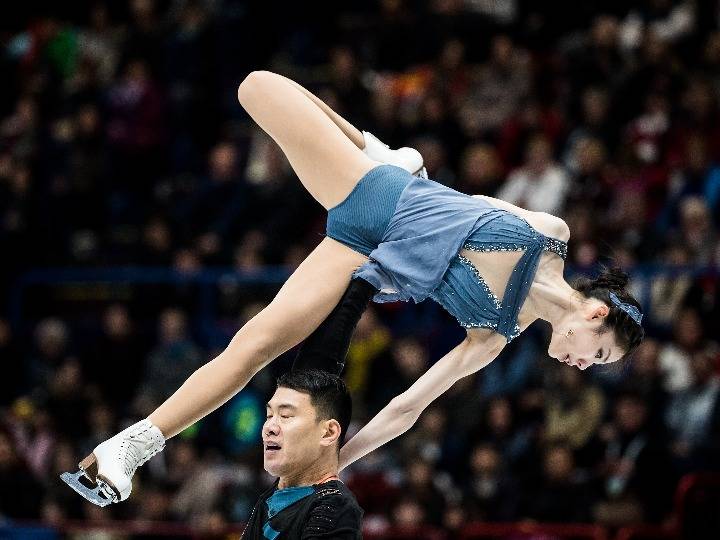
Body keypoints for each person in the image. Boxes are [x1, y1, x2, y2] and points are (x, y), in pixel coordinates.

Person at [62, 70, 644, 506]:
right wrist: (391, 167)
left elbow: (408, 407)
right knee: (254, 86)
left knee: (257, 344)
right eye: (598, 354)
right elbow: (471, 204)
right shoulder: (552, 234)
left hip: (364, 254)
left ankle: (127, 450)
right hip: (378, 194)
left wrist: (337, 461)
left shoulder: (494, 335)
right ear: (593, 314)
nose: (583, 365)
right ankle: (381, 149)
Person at [241, 369, 362, 539]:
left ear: (328, 432)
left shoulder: (333, 505)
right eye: (269, 415)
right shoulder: (271, 498)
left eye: (285, 416)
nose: (269, 427)